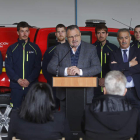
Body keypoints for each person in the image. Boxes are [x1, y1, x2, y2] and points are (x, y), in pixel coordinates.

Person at [47, 25, 101, 111]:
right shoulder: (60, 49)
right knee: (65, 121)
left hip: (85, 94)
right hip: (64, 95)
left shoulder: (91, 49)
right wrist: (65, 71)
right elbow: (50, 67)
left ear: (80, 34)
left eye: (76, 35)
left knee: (84, 122)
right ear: (66, 37)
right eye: (71, 37)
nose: (74, 39)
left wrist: (80, 71)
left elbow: (97, 68)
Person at [81, 71, 138, 140]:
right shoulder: (135, 114)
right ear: (125, 92)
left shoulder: (88, 111)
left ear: (104, 90)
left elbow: (84, 131)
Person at [110, 28, 140, 139]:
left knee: (138, 121)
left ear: (130, 38)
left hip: (136, 92)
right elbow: (113, 68)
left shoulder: (138, 52)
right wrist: (130, 64)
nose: (124, 40)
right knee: (121, 120)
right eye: (121, 38)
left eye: (126, 37)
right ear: (117, 39)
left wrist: (122, 67)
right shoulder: (113, 53)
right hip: (120, 93)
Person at [5, 21, 42, 109]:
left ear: (29, 32)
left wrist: (28, 80)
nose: (24, 33)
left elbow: (37, 67)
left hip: (31, 87)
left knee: (32, 111)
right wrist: (18, 80)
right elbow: (8, 67)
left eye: (26, 31)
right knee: (15, 112)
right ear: (18, 32)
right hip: (16, 87)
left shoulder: (35, 48)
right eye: (22, 31)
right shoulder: (11, 49)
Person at [42, 24, 66, 109]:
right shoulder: (50, 50)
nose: (60, 34)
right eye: (58, 32)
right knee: (53, 110)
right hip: (53, 86)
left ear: (66, 33)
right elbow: (45, 68)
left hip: (67, 85)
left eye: (62, 31)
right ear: (55, 34)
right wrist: (53, 81)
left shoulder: (71, 49)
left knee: (67, 110)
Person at [93, 25, 118, 97]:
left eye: (103, 33)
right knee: (95, 106)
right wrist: (98, 79)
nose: (101, 35)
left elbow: (116, 67)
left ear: (107, 34)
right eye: (98, 33)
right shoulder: (91, 48)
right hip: (94, 84)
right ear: (95, 35)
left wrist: (105, 79)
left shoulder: (113, 48)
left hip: (110, 84)